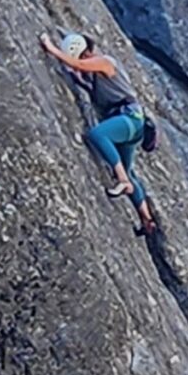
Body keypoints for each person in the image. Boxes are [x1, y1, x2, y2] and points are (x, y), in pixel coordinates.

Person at [41, 30, 159, 236]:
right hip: (128, 124)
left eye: (80, 58)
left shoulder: (105, 62)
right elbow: (80, 75)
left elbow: (78, 65)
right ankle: (146, 219)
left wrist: (51, 48)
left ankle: (122, 181)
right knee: (130, 172)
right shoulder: (95, 78)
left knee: (97, 135)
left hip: (129, 118)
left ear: (85, 54)